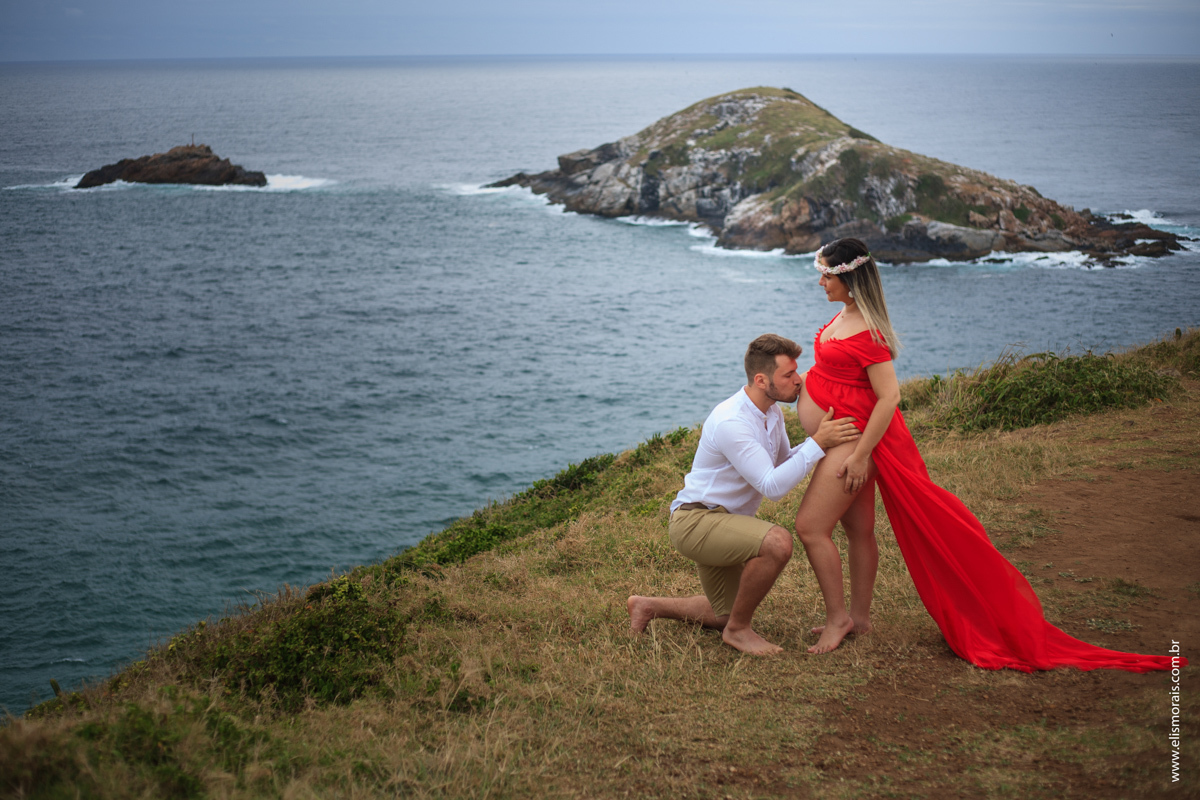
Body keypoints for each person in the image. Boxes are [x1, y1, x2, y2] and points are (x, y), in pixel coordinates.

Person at [794, 236, 1183, 672]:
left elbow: (890, 397)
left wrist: (863, 455)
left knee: (811, 527)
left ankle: (838, 619)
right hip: (841, 434)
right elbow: (835, 373)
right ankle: (860, 620)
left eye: (827, 273)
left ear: (850, 277)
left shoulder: (869, 332)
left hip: (851, 442)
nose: (821, 281)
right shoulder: (844, 316)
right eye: (821, 272)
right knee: (859, 530)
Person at [627, 334, 861, 655]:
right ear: (761, 380)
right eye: (789, 375)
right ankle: (738, 632)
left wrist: (821, 446)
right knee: (778, 543)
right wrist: (818, 443)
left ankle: (648, 606)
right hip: (696, 521)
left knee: (723, 613)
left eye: (796, 371)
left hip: (721, 522)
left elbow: (780, 464)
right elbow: (773, 486)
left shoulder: (772, 411)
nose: (798, 380)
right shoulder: (732, 421)